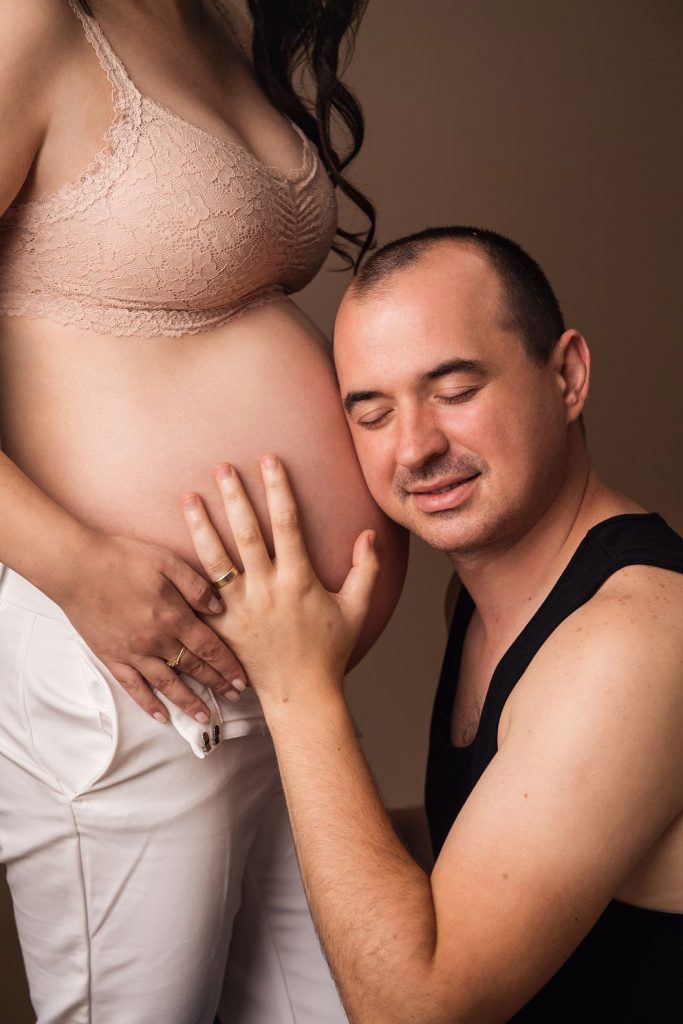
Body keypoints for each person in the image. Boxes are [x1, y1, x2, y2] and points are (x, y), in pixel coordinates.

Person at [0, 1, 406, 1021]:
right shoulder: (31, 22)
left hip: (284, 687)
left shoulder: (214, 19)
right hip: (136, 677)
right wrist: (76, 567)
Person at [182, 226, 683, 1023]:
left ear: (566, 376)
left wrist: (297, 687)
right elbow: (490, 855)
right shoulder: (479, 605)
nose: (414, 448)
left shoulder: (634, 635)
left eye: (454, 391)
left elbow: (414, 1011)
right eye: (372, 414)